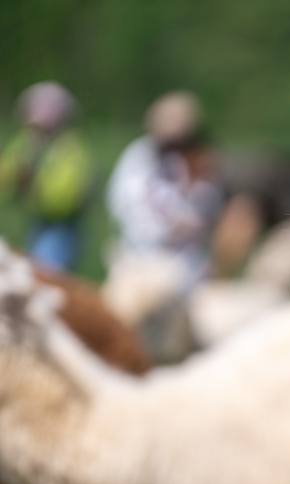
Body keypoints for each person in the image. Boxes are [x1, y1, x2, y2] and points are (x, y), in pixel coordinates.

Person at [104, 90, 224, 362]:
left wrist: (189, 217)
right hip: (139, 260)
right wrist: (171, 224)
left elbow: (207, 207)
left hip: (182, 266)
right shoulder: (139, 157)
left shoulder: (199, 160)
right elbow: (126, 205)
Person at [0, 82, 93, 271]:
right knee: (31, 270)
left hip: (62, 226)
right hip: (37, 222)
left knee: (47, 271)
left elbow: (67, 196)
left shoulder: (71, 148)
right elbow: (6, 176)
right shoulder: (26, 143)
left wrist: (34, 186)